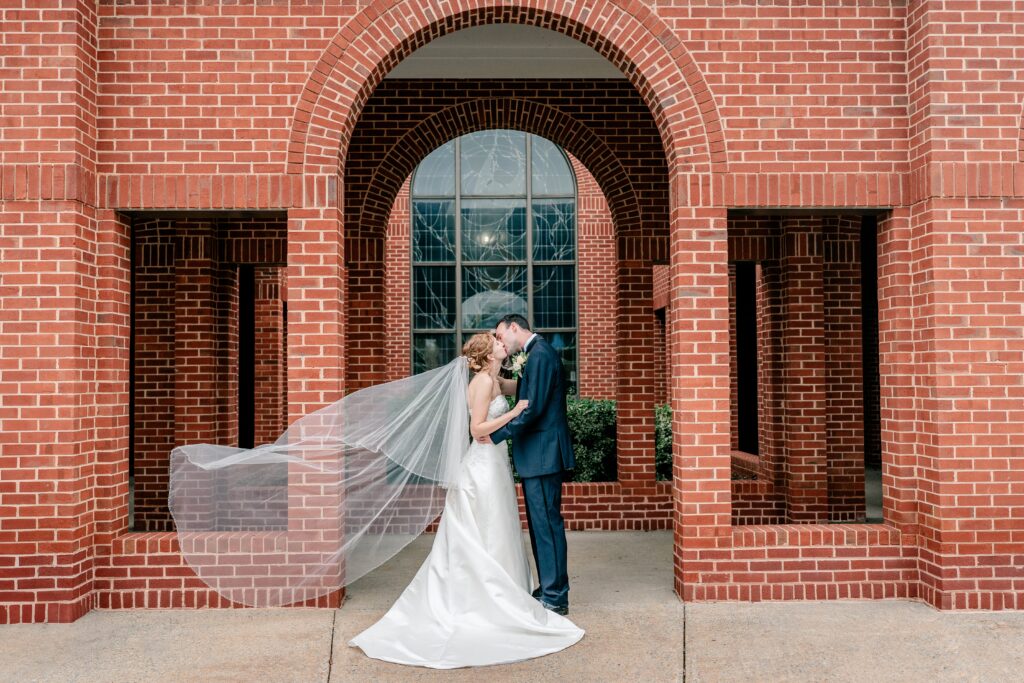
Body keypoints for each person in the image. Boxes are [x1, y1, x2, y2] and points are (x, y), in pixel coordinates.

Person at [348, 333, 584, 668]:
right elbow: (477, 429)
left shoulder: (494, 380)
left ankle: (507, 589)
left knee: (499, 527)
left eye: (502, 339)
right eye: (497, 342)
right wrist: (513, 413)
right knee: (484, 528)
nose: (503, 343)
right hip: (483, 466)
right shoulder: (482, 384)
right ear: (489, 354)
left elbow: (527, 389)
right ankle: (484, 596)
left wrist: (541, 373)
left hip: (496, 466)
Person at [488, 314, 575, 615]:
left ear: (514, 327)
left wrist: (497, 434)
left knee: (547, 525)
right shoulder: (534, 354)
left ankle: (555, 594)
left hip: (543, 454)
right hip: (538, 455)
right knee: (541, 527)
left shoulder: (539, 355)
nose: (500, 342)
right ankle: (548, 587)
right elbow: (526, 395)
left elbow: (533, 410)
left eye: (500, 335)